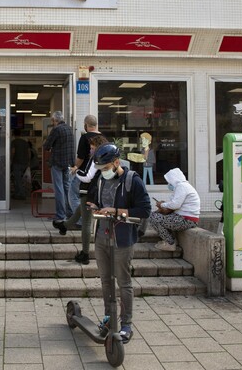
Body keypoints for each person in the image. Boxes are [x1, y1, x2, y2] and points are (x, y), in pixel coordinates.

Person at [87, 143, 151, 344]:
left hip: (122, 238)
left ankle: (126, 324)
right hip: (102, 236)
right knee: (106, 280)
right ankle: (109, 318)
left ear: (116, 163)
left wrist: (116, 211)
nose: (103, 172)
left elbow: (145, 210)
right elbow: (100, 201)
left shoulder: (133, 180)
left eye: (106, 168)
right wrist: (96, 206)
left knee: (123, 282)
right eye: (100, 169)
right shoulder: (101, 179)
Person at [55, 135, 108, 265]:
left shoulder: (96, 158)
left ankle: (85, 253)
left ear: (97, 147)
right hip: (96, 192)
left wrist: (76, 171)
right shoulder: (106, 157)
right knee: (80, 210)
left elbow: (87, 177)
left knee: (86, 222)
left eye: (92, 148)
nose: (90, 150)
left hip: (88, 192)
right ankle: (64, 225)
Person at [150, 168, 201, 251]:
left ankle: (170, 243)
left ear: (174, 179)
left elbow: (175, 205)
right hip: (184, 218)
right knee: (155, 215)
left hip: (186, 220)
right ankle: (169, 240)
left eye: (169, 181)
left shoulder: (182, 186)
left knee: (154, 218)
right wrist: (162, 207)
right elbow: (172, 205)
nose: (169, 184)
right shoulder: (182, 187)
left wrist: (161, 204)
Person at [68, 115, 102, 226]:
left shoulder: (85, 138)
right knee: (87, 199)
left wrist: (75, 167)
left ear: (86, 125)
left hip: (84, 173)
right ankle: (84, 220)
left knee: (73, 195)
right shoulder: (102, 137)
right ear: (96, 124)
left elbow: (81, 157)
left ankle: (80, 221)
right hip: (97, 175)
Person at [43, 110, 75, 225]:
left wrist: (50, 146)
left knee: (59, 189)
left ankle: (60, 215)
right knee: (67, 189)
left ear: (54, 120)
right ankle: (70, 213)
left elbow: (46, 146)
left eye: (52, 120)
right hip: (67, 163)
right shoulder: (69, 129)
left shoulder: (56, 129)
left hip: (57, 162)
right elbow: (71, 147)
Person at [10, 128, 30, 199]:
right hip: (24, 163)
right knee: (20, 179)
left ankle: (21, 194)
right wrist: (28, 162)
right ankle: (17, 193)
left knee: (17, 179)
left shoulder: (14, 142)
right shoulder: (25, 142)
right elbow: (29, 153)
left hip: (17, 162)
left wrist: (11, 160)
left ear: (13, 134)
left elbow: (13, 152)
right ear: (20, 134)